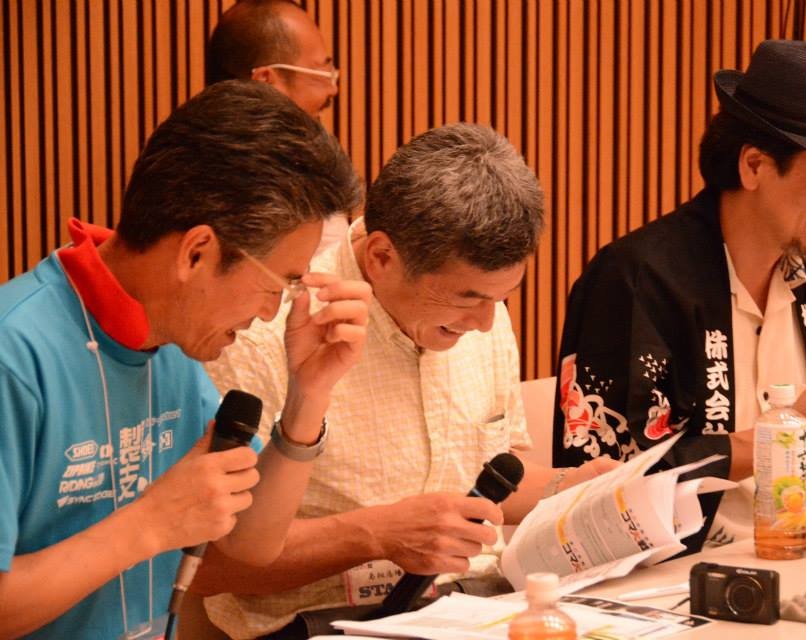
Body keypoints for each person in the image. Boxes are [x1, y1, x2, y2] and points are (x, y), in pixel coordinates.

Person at [196, 123, 617, 639]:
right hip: (323, 625)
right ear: (381, 257)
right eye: (467, 299)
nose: (487, 323)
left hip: (480, 609)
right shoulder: (268, 330)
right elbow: (206, 566)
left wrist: (573, 490)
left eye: (501, 298)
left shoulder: (481, 314)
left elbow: (482, 481)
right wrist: (373, 535)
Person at [552, 39, 806, 552]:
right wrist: (781, 439)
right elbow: (600, 481)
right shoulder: (637, 281)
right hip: (678, 576)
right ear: (754, 166)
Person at [0, 80, 371, 639]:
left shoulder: (170, 346)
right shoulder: (14, 354)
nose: (271, 313)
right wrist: (149, 523)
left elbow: (248, 544)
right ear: (197, 252)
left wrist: (309, 395)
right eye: (277, 285)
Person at [207, 0, 348, 250]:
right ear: (265, 81)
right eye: (321, 72)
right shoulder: (237, 184)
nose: (332, 89)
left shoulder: (298, 160)